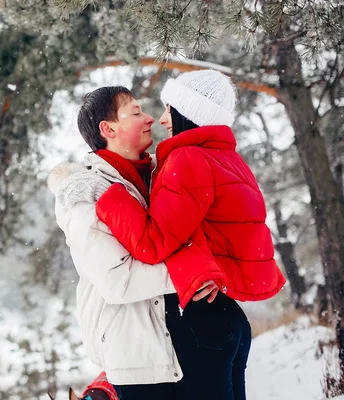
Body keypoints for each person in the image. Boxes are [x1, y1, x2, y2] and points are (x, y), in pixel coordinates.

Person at [94, 69, 286, 399]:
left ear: (188, 113)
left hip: (205, 322)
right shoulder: (229, 159)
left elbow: (153, 244)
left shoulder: (188, 159)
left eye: (170, 110)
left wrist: (109, 197)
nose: (164, 120)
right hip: (230, 319)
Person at [48, 86, 186, 399]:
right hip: (136, 355)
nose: (150, 118)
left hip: (185, 343)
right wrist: (193, 273)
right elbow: (118, 281)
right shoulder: (84, 197)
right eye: (136, 112)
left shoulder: (159, 175)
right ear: (108, 129)